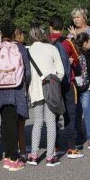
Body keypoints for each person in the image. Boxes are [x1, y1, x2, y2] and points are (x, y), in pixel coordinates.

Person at [0, 23, 31, 171]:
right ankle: (13, 159)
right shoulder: (19, 48)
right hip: (15, 90)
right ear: (14, 34)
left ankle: (6, 154)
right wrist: (25, 85)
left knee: (5, 123)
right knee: (13, 123)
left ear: (1, 34)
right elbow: (27, 73)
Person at [26, 24, 65, 167]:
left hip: (35, 90)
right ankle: (50, 157)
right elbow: (61, 72)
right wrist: (53, 79)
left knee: (37, 122)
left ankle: (34, 155)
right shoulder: (52, 48)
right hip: (50, 89)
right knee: (50, 122)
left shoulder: (28, 51)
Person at [48, 17, 85, 160]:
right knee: (70, 115)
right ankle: (71, 147)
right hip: (68, 84)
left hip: (52, 84)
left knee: (53, 116)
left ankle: (55, 146)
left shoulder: (45, 42)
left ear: (50, 27)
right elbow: (76, 61)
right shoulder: (67, 42)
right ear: (63, 28)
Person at [68, 7, 90, 142]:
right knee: (77, 105)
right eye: (74, 17)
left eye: (78, 17)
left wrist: (76, 37)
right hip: (76, 73)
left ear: (84, 17)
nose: (75, 20)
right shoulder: (71, 33)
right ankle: (80, 132)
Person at [73, 33, 90, 149]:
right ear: (85, 42)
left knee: (78, 113)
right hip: (88, 86)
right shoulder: (89, 53)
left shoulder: (74, 54)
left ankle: (79, 138)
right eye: (88, 41)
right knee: (88, 113)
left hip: (76, 86)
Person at [13, 27, 30, 161]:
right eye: (22, 33)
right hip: (19, 88)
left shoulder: (1, 47)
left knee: (8, 122)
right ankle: (23, 150)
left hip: (3, 89)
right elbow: (27, 72)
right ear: (18, 35)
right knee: (20, 123)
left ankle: (9, 150)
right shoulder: (21, 48)